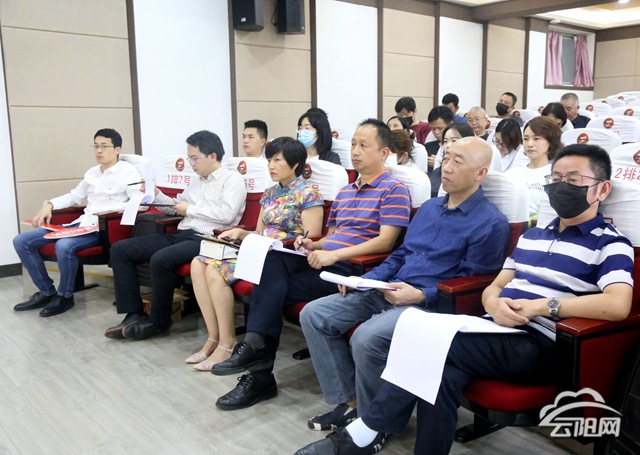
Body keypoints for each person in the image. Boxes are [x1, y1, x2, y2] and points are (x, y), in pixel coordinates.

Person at [294, 143, 634, 455]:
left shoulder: (610, 243)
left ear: (602, 189)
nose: (561, 187)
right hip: (494, 328)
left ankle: (364, 431)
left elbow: (618, 305)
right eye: (556, 178)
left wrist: (541, 307)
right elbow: (494, 286)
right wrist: (493, 304)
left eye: (573, 180)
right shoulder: (533, 236)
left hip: (542, 341)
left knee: (425, 341)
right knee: (442, 376)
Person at [298, 137, 510, 435]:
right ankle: (352, 403)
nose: (446, 167)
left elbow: (473, 287)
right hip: (390, 288)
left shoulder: (490, 223)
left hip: (430, 305)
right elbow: (401, 254)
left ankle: (377, 424)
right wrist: (367, 279)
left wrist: (422, 295)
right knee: (314, 314)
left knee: (367, 338)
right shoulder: (430, 208)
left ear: (481, 173)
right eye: (446, 158)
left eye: (457, 162)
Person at [210, 119, 412, 411]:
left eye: (363, 145)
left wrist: (334, 255)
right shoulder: (346, 191)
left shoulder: (394, 190)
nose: (355, 151)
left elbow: (385, 242)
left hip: (353, 271)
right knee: (272, 258)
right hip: (323, 262)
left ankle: (259, 368)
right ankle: (256, 351)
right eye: (353, 144)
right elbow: (329, 237)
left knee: (270, 287)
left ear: (384, 153)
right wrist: (310, 244)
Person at [187, 137, 324, 371]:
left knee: (214, 270)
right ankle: (213, 337)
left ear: (295, 164)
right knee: (197, 263)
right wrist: (241, 233)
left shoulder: (308, 194)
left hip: (281, 258)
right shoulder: (270, 192)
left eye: (277, 160)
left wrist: (264, 242)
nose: (271, 165)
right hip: (257, 248)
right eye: (269, 160)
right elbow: (260, 231)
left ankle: (227, 343)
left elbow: (310, 240)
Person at [104, 130, 247, 340]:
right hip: (182, 233)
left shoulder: (232, 179)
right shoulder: (197, 181)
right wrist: (156, 194)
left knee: (161, 259)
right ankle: (134, 314)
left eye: (194, 158)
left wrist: (189, 209)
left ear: (212, 156)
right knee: (121, 249)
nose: (191, 164)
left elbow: (227, 215)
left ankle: (159, 322)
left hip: (208, 239)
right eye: (189, 159)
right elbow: (176, 207)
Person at [13, 128, 141, 317]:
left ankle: (65, 296)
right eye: (96, 146)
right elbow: (74, 197)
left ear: (117, 149)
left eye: (104, 146)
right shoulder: (92, 173)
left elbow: (138, 203)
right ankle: (47, 292)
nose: (99, 150)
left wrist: (110, 212)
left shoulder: (128, 172)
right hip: (80, 224)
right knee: (21, 241)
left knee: (64, 245)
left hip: (102, 229)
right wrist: (49, 204)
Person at [506, 116, 563, 224]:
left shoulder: (557, 176)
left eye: (536, 139)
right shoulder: (510, 174)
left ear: (550, 142)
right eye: (526, 139)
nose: (529, 144)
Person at [429, 122, 476, 197]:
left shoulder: (474, 173)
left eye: (454, 140)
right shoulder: (436, 173)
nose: (448, 145)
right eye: (445, 141)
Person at [424, 106, 454, 171]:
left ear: (451, 124)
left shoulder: (458, 146)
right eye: (433, 129)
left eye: (440, 128)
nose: (436, 132)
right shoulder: (427, 147)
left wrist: (438, 163)